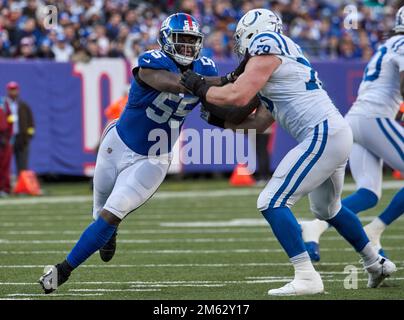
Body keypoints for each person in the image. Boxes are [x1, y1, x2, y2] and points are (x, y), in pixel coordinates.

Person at [181, 8, 397, 296]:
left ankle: (307, 276)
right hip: (332, 133)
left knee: (271, 200)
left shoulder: (267, 42)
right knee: (328, 209)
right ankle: (375, 262)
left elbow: (236, 95)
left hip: (323, 133)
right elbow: (258, 123)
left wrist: (199, 87)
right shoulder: (281, 64)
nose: (239, 46)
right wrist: (220, 119)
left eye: (240, 38)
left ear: (252, 32)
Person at [38, 12, 254, 294]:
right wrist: (225, 80)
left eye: (192, 41)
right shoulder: (153, 62)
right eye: (182, 40)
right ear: (166, 40)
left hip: (153, 159)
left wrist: (250, 102)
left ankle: (63, 270)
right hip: (117, 145)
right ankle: (108, 234)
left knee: (110, 215)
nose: (188, 47)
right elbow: (169, 82)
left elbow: (220, 108)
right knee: (99, 214)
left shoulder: (206, 69)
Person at [301, 6, 404, 262]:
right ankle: (374, 230)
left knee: (368, 194)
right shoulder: (401, 43)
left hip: (360, 119)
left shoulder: (390, 43)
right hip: (372, 117)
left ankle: (315, 227)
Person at [4, 81, 35, 175]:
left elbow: (31, 122)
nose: (13, 92)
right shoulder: (4, 106)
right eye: (11, 90)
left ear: (18, 90)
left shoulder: (24, 105)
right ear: (8, 91)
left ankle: (21, 185)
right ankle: (7, 184)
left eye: (14, 90)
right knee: (6, 163)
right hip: (7, 138)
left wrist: (28, 135)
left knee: (22, 164)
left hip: (21, 138)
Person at [0, 95, 13, 197]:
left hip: (4, 139)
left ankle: (5, 188)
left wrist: (7, 136)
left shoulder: (4, 102)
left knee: (4, 166)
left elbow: (9, 121)